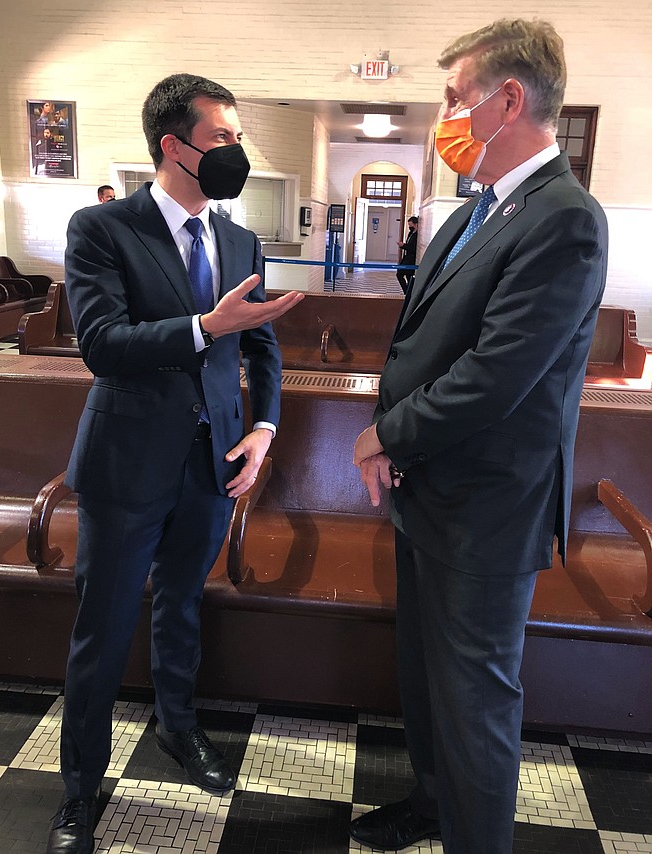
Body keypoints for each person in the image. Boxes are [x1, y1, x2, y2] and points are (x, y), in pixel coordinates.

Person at [351, 18, 607, 854]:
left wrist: (384, 434)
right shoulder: (476, 212)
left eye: (455, 96)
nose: (444, 114)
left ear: (508, 99)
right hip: (432, 488)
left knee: (476, 703)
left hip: (490, 509)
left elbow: (498, 374)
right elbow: (427, 335)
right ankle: (433, 806)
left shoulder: (564, 218)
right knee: (428, 687)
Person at [46, 73, 303, 854]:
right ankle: (80, 791)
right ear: (175, 145)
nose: (236, 151)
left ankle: (179, 729)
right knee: (103, 629)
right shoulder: (101, 229)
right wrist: (200, 325)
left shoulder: (236, 238)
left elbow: (259, 344)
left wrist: (262, 424)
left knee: (182, 606)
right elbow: (101, 346)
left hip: (212, 461)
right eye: (223, 137)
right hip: (126, 464)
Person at [395, 215, 418, 293]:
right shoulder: (411, 233)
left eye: (410, 225)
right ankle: (408, 292)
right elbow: (408, 245)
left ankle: (407, 292)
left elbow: (413, 247)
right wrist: (403, 246)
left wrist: (403, 245)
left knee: (400, 274)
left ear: (416, 224)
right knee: (408, 276)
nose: (409, 227)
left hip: (411, 259)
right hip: (406, 257)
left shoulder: (417, 235)